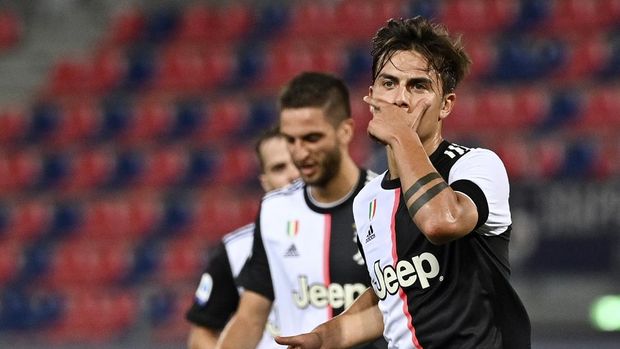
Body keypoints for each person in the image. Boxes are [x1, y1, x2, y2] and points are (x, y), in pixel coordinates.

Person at [275, 17, 531, 349]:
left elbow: (441, 221)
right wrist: (325, 337)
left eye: (418, 86)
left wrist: (399, 133)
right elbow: (393, 299)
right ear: (371, 97)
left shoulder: (474, 166)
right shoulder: (367, 198)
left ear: (446, 105)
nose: (400, 98)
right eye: (389, 83)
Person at [215, 72, 386, 349]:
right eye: (290, 140)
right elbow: (251, 316)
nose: (299, 153)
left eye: (311, 138)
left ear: (345, 131)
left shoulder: (384, 202)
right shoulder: (274, 210)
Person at [185, 126, 300, 349]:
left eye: (297, 162)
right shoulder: (235, 251)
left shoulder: (354, 228)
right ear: (265, 182)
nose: (293, 174)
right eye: (279, 168)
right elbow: (201, 336)